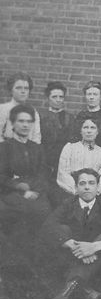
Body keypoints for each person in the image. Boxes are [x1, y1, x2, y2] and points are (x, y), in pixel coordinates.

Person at [38, 168, 101, 299]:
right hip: (72, 256)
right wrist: (72, 244)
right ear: (76, 188)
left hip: (97, 259)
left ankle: (64, 294)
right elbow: (48, 225)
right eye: (82, 183)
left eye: (91, 183)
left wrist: (94, 247)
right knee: (62, 229)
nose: (86, 187)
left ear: (98, 187)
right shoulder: (67, 204)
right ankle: (86, 290)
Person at [0, 104, 51, 247]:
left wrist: (35, 190)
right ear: (13, 123)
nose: (25, 125)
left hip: (36, 193)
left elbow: (42, 173)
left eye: (29, 122)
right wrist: (21, 188)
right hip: (10, 193)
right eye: (21, 121)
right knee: (19, 215)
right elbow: (2, 176)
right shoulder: (4, 148)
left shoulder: (37, 148)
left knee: (43, 211)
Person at [57, 119, 101, 201]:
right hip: (71, 193)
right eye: (85, 127)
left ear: (97, 132)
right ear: (80, 131)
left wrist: (93, 192)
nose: (89, 131)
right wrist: (77, 190)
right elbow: (63, 173)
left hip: (93, 195)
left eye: (93, 128)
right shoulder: (70, 148)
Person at [70, 81, 101, 164]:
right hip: (80, 159)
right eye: (89, 94)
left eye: (95, 94)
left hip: (98, 159)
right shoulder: (80, 116)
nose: (91, 97)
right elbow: (74, 140)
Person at [38, 81, 74, 178]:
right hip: (44, 160)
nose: (58, 100)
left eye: (61, 97)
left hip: (63, 161)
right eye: (54, 97)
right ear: (48, 98)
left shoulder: (70, 117)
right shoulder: (40, 117)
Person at [0, 72, 41, 143]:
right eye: (18, 88)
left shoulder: (33, 112)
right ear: (11, 90)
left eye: (26, 88)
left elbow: (36, 137)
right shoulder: (3, 109)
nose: (23, 91)